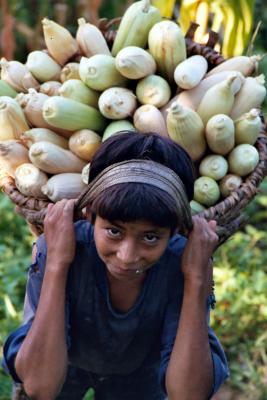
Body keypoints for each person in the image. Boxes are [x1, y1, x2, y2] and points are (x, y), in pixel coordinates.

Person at [3, 131, 229, 400]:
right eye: (113, 231)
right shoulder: (64, 245)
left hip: (141, 374)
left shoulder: (181, 261)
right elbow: (40, 387)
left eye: (150, 237)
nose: (127, 256)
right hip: (59, 360)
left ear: (176, 231)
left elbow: (188, 395)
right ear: (89, 215)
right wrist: (57, 261)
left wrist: (196, 279)